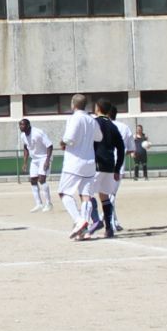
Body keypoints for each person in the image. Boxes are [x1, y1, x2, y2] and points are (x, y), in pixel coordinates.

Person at [58, 94, 101, 240]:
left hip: (74, 163)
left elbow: (69, 138)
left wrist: (62, 143)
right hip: (89, 162)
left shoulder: (74, 118)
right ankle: (84, 231)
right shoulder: (91, 119)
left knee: (64, 193)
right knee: (85, 196)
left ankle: (79, 221)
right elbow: (99, 137)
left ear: (73, 104)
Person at [86, 100, 125, 239]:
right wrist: (117, 168)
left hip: (96, 163)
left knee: (87, 194)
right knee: (104, 196)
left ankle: (96, 221)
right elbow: (121, 148)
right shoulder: (113, 126)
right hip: (109, 165)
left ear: (97, 108)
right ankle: (109, 228)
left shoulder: (93, 123)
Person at [19, 119, 54, 212]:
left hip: (44, 157)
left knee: (41, 179)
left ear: (28, 125)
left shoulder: (38, 133)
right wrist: (25, 162)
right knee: (33, 180)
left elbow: (49, 145)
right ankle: (39, 204)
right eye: (20, 125)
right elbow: (26, 148)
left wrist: (47, 160)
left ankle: (49, 204)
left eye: (23, 125)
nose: (21, 127)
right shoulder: (23, 135)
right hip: (34, 159)